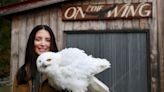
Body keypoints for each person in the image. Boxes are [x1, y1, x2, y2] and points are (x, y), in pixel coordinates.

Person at [13, 25, 68, 92]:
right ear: (32, 42)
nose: (43, 44)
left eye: (48, 40)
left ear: (52, 43)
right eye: (38, 39)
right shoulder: (22, 73)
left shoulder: (63, 70)